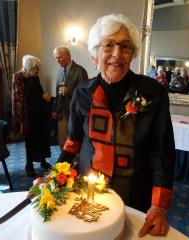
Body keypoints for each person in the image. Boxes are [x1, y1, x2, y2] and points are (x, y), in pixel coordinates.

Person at [56, 14, 175, 237]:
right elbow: (73, 142)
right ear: (94, 54)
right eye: (108, 45)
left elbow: (162, 152)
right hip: (88, 191)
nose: (117, 54)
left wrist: (159, 205)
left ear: (132, 55)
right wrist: (55, 176)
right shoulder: (82, 93)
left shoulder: (153, 93)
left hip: (134, 195)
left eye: (125, 46)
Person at [12, 55, 51, 177]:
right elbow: (18, 98)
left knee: (42, 138)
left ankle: (43, 161)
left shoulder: (35, 77)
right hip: (28, 116)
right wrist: (20, 120)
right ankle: (29, 165)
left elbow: (38, 93)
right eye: (36, 67)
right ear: (30, 67)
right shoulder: (18, 77)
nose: (38, 69)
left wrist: (43, 98)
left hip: (40, 113)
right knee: (30, 141)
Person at [52, 47, 88, 148]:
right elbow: (57, 91)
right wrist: (54, 108)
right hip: (62, 111)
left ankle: (75, 163)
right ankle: (64, 163)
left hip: (74, 112)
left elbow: (85, 94)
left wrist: (69, 91)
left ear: (68, 55)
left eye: (59, 57)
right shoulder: (59, 71)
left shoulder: (80, 71)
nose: (57, 60)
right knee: (62, 140)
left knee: (74, 140)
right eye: (56, 58)